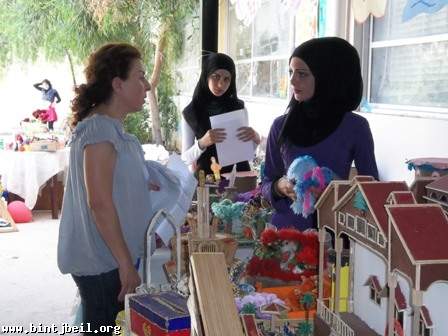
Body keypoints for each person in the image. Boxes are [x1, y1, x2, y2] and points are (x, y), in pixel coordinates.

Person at [57, 43, 157, 333]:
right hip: (104, 262)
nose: (147, 85)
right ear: (117, 84)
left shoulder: (108, 127)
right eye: (140, 76)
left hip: (109, 258)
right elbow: (98, 202)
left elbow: (110, 183)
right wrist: (126, 263)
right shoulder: (100, 129)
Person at [261, 37, 379, 231]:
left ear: (326, 77)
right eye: (291, 72)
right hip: (284, 239)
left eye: (302, 74)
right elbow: (266, 183)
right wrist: (279, 186)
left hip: (332, 237)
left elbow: (371, 190)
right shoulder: (281, 125)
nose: (292, 80)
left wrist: (336, 194)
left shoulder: (355, 127)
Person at [181, 52, 260, 175]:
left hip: (238, 177)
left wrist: (255, 138)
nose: (220, 84)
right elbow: (185, 159)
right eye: (216, 76)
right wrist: (202, 143)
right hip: (207, 179)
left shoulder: (239, 108)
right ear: (206, 76)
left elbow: (245, 152)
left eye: (226, 79)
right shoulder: (192, 112)